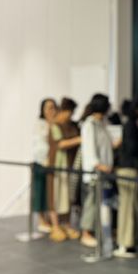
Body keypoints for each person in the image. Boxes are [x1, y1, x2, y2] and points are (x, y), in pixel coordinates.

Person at [114, 94, 138, 259]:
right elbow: (132, 148)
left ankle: (129, 242)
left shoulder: (134, 124)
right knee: (128, 209)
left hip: (131, 169)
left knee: (133, 208)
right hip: (128, 169)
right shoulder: (131, 125)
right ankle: (125, 243)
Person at [80, 94, 116, 253]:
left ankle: (96, 230)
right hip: (95, 171)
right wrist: (99, 165)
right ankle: (86, 232)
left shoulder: (101, 124)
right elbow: (89, 149)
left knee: (101, 203)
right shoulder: (89, 125)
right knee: (91, 203)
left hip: (104, 170)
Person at [46, 98, 81, 242]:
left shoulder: (72, 125)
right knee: (54, 197)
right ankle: (55, 226)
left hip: (69, 166)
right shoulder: (55, 126)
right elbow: (59, 144)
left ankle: (66, 224)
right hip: (56, 166)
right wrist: (79, 139)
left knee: (67, 197)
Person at [32, 98, 58, 233]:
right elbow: (42, 141)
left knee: (50, 193)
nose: (51, 110)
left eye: (53, 107)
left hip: (53, 163)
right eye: (48, 107)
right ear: (43, 110)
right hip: (41, 161)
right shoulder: (40, 124)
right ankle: (41, 219)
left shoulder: (56, 124)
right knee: (40, 191)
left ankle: (48, 218)